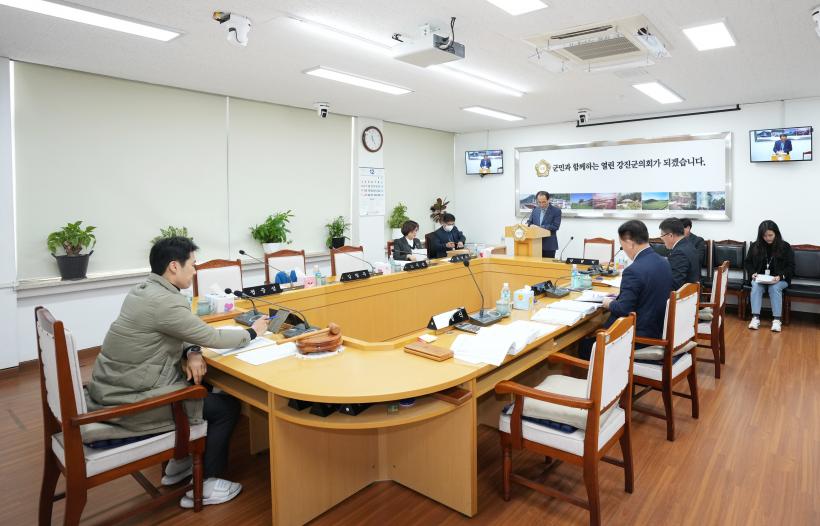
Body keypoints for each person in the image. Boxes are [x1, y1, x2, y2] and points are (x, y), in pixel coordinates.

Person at [86, 237, 269, 508]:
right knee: (226, 407)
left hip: (112, 388)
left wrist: (192, 351)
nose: (195, 271)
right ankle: (206, 484)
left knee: (201, 384)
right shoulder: (167, 302)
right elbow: (212, 337)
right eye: (192, 265)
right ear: (174, 266)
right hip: (130, 403)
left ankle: (179, 463)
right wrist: (253, 332)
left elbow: (176, 331)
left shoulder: (142, 290)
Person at [580, 220, 674, 360]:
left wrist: (608, 303)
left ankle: (603, 374)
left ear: (630, 243)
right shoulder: (663, 262)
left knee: (583, 346)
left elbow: (624, 309)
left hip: (638, 337)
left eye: (622, 245)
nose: (623, 249)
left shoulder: (633, 271)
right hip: (657, 329)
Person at [744, 220, 795, 332]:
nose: (768, 238)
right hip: (760, 279)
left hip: (779, 279)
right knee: (755, 286)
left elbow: (791, 266)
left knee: (774, 287)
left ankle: (777, 320)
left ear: (776, 233)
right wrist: (753, 273)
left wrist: (780, 276)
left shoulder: (785, 246)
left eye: (770, 235)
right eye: (765, 236)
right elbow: (747, 262)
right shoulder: (755, 246)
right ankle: (755, 318)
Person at [660, 218, 700, 289]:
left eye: (662, 235)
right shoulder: (688, 245)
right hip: (690, 291)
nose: (661, 238)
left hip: (682, 294)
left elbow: (674, 284)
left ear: (670, 235)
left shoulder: (679, 253)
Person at [526, 191, 561, 258]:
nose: (541, 205)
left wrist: (539, 227)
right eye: (539, 202)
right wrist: (528, 225)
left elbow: (555, 226)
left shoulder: (556, 211)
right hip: (535, 244)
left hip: (549, 245)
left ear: (548, 200)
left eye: (544, 202)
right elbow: (529, 222)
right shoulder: (535, 210)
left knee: (547, 264)